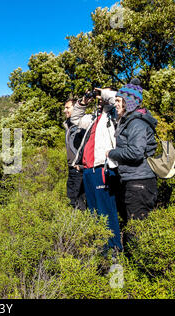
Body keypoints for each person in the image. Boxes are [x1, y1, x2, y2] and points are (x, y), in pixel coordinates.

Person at [70, 88, 122, 251]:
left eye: (102, 100)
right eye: (98, 100)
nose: (99, 102)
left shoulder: (113, 115)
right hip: (88, 170)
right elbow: (75, 118)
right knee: (94, 213)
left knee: (106, 212)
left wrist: (104, 93)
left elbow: (118, 100)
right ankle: (100, 251)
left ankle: (114, 251)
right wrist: (83, 101)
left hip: (103, 168)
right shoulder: (93, 119)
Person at [107, 79, 158, 228]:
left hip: (140, 182)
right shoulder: (129, 120)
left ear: (128, 102)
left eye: (118, 100)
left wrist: (111, 153)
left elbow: (136, 152)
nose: (115, 104)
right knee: (134, 226)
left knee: (137, 229)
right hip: (134, 180)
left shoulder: (136, 123)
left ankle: (138, 252)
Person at [63, 99, 86, 210]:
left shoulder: (81, 126)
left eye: (67, 108)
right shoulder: (68, 126)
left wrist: (81, 165)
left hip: (79, 168)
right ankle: (77, 222)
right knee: (72, 197)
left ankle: (82, 223)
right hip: (71, 167)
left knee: (79, 199)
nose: (64, 110)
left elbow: (85, 146)